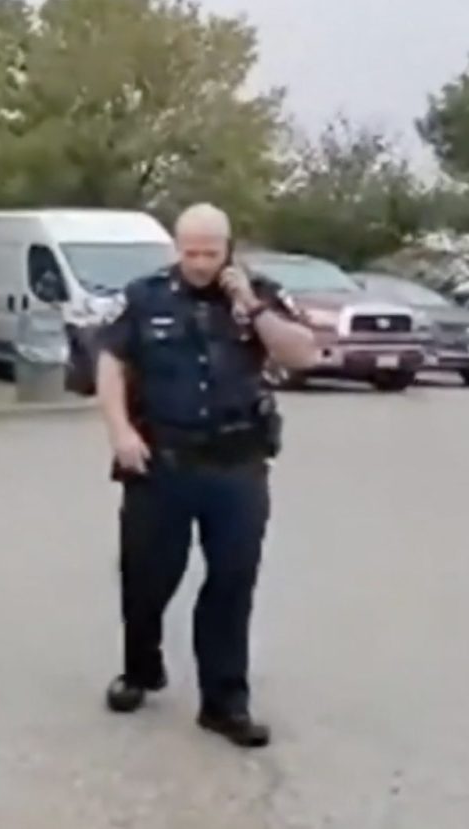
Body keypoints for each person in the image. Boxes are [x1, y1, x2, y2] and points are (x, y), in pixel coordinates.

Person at [94, 204, 317, 748]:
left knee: (232, 583)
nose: (197, 263)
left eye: (209, 253)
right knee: (146, 579)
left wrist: (251, 306)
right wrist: (120, 431)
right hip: (160, 463)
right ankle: (140, 668)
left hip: (236, 465)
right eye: (188, 252)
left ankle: (224, 703)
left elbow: (304, 354)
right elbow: (109, 361)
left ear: (228, 248)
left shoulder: (258, 294)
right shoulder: (146, 297)